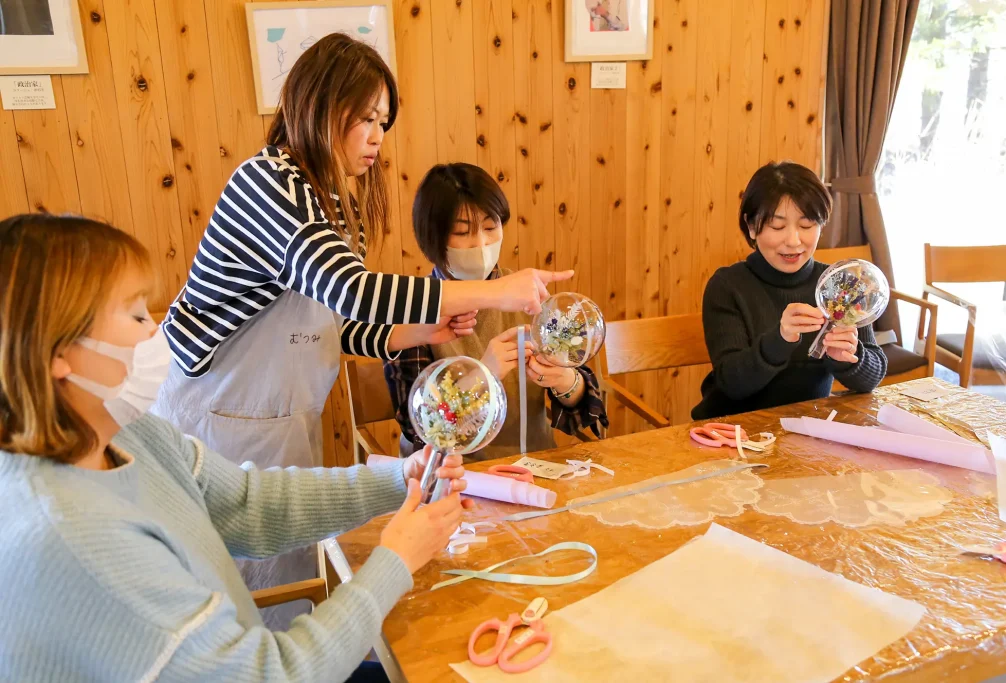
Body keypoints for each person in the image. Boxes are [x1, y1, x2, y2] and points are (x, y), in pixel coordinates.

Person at [153, 33, 570, 626]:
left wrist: (412, 334)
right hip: (216, 420)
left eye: (383, 121)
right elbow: (351, 288)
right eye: (365, 117)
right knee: (227, 601)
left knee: (283, 590)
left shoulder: (333, 205)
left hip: (282, 423)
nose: (377, 135)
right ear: (322, 105)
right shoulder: (268, 183)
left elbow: (334, 324)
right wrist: (499, 289)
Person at [0, 214, 470, 682]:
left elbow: (248, 504)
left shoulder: (129, 435)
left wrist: (398, 478)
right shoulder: (73, 540)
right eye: (135, 313)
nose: (154, 331)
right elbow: (270, 675)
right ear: (57, 350)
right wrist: (395, 561)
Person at [385, 164, 608, 459]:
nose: (480, 244)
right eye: (462, 232)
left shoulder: (528, 294)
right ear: (433, 238)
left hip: (534, 468)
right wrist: (481, 375)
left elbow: (588, 407)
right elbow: (418, 429)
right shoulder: (414, 310)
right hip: (455, 480)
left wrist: (566, 382)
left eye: (490, 228)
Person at [691, 161, 887, 420]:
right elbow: (732, 384)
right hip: (732, 431)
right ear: (751, 226)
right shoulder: (728, 286)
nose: (794, 241)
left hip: (806, 429)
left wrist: (848, 357)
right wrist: (780, 339)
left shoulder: (840, 284)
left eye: (806, 226)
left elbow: (871, 377)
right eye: (777, 226)